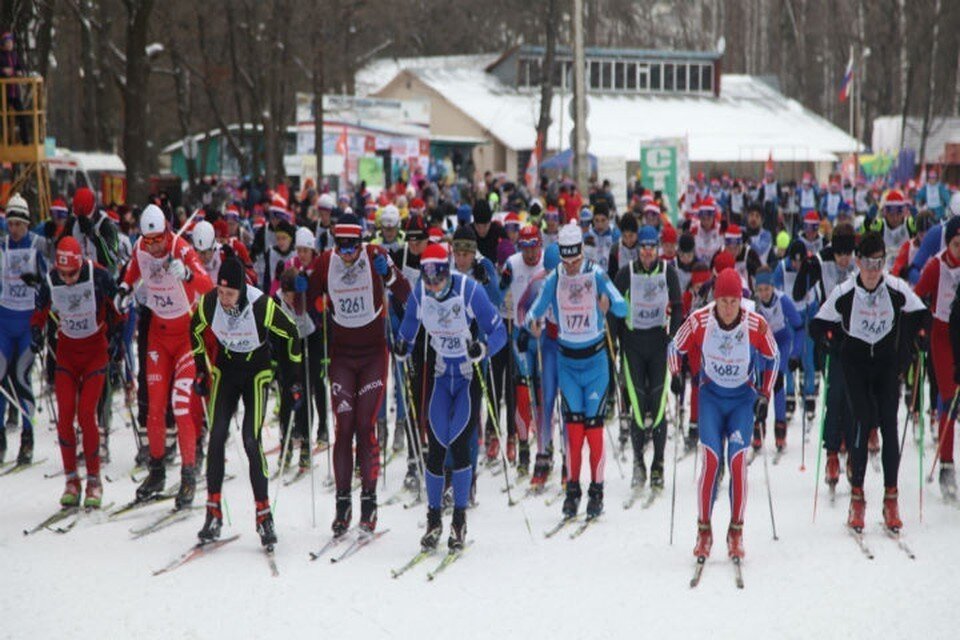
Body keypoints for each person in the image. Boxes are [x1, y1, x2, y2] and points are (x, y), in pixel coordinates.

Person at [810, 232, 926, 532]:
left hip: (886, 366)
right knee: (862, 423)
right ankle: (857, 499)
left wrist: (912, 347)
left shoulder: (896, 289)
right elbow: (817, 326)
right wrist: (832, 345)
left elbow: (921, 316)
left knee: (888, 424)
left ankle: (891, 499)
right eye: (868, 264)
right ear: (858, 262)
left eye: (878, 264)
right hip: (857, 367)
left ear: (884, 263)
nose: (873, 271)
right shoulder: (846, 291)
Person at [395, 243, 505, 551]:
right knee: (435, 449)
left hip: (468, 377)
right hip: (442, 377)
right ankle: (433, 520)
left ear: (448, 270)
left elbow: (499, 333)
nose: (433, 285)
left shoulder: (469, 291)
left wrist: (482, 349)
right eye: (428, 278)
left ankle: (458, 520)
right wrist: (402, 347)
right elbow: (407, 331)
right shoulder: (421, 293)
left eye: (439, 277)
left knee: (458, 446)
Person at [308, 213, 410, 535]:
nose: (348, 254)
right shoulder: (327, 262)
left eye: (353, 247)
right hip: (341, 357)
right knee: (344, 426)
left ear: (362, 242)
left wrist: (390, 277)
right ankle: (342, 506)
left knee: (365, 425)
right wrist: (305, 295)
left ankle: (368, 503)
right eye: (342, 247)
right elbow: (309, 302)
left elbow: (406, 294)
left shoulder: (376, 255)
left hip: (372, 356)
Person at [189, 257, 302, 548]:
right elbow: (195, 330)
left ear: (241, 289)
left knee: (251, 440)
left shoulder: (260, 306)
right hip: (226, 371)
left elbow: (291, 333)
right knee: (215, 436)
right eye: (220, 292)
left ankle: (264, 517)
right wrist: (201, 369)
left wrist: (293, 380)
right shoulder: (211, 303)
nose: (224, 299)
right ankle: (213, 514)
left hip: (257, 372)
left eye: (230, 294)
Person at [669, 268, 779, 560]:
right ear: (715, 300)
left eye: (734, 301)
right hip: (712, 400)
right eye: (724, 301)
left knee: (738, 462)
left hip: (742, 400)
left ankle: (736, 531)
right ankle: (704, 531)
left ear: (741, 300)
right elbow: (674, 347)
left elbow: (773, 356)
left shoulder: (754, 323)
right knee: (712, 461)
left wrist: (765, 395)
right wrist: (676, 374)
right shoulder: (700, 320)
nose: (729, 308)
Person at [525, 223, 627, 519]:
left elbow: (623, 308)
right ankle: (572, 492)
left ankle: (596, 491)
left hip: (595, 363)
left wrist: (608, 306)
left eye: (574, 260)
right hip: (567, 363)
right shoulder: (555, 278)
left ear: (582, 252)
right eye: (565, 260)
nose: (570, 267)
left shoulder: (595, 274)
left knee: (593, 431)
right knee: (573, 430)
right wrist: (530, 324)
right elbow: (535, 309)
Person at [117, 204, 213, 507]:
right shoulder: (141, 248)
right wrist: (123, 288)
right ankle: (157, 471)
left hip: (185, 336)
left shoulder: (180, 248)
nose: (154, 247)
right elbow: (133, 269)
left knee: (181, 405)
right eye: (148, 241)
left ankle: (188, 475)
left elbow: (208, 286)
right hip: (158, 335)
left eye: (157, 240)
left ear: (167, 232)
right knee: (154, 409)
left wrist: (185, 273)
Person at [32, 237, 121, 507]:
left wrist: (117, 335)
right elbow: (39, 311)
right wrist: (36, 331)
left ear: (80, 263)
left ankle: (94, 480)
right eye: (63, 274)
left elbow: (119, 306)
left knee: (86, 415)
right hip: (67, 355)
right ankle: (72, 479)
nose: (68, 280)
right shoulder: (50, 280)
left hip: (95, 353)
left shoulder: (98, 275)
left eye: (72, 274)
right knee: (64, 416)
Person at [613, 225, 683, 491]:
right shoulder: (626, 273)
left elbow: (677, 308)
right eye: (642, 247)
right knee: (638, 408)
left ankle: (658, 464)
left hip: (657, 344)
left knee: (658, 402)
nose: (647, 252)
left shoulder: (668, 273)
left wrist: (673, 337)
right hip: (632, 346)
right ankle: (639, 463)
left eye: (651, 247)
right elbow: (615, 310)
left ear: (658, 249)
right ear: (637, 249)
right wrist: (616, 340)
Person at [914, 216, 960, 500]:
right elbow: (917, 297)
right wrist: (920, 328)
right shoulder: (936, 266)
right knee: (949, 396)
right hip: (942, 335)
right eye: (957, 244)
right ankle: (946, 464)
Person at [0, 194, 44, 464]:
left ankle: (27, 438)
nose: (14, 229)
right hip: (4, 323)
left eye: (19, 224)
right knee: (1, 379)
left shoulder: (36, 246)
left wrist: (37, 281)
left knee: (21, 376)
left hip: (27, 322)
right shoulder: (2, 246)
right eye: (11, 223)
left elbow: (50, 285)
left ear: (27, 224)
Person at [499, 224, 544, 475]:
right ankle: (524, 447)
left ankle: (543, 450)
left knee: (541, 390)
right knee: (522, 392)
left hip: (543, 333)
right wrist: (500, 284)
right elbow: (497, 293)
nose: (530, 254)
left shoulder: (547, 263)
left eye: (534, 247)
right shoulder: (512, 263)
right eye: (525, 248)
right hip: (520, 334)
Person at [752, 266, 803, 452]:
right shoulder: (754, 304)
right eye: (760, 289)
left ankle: (780, 429)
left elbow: (799, 327)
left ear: (773, 287)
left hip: (780, 342)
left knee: (778, 382)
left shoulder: (783, 301)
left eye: (767, 289)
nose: (764, 293)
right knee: (759, 383)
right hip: (762, 345)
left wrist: (795, 354)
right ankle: (758, 427)